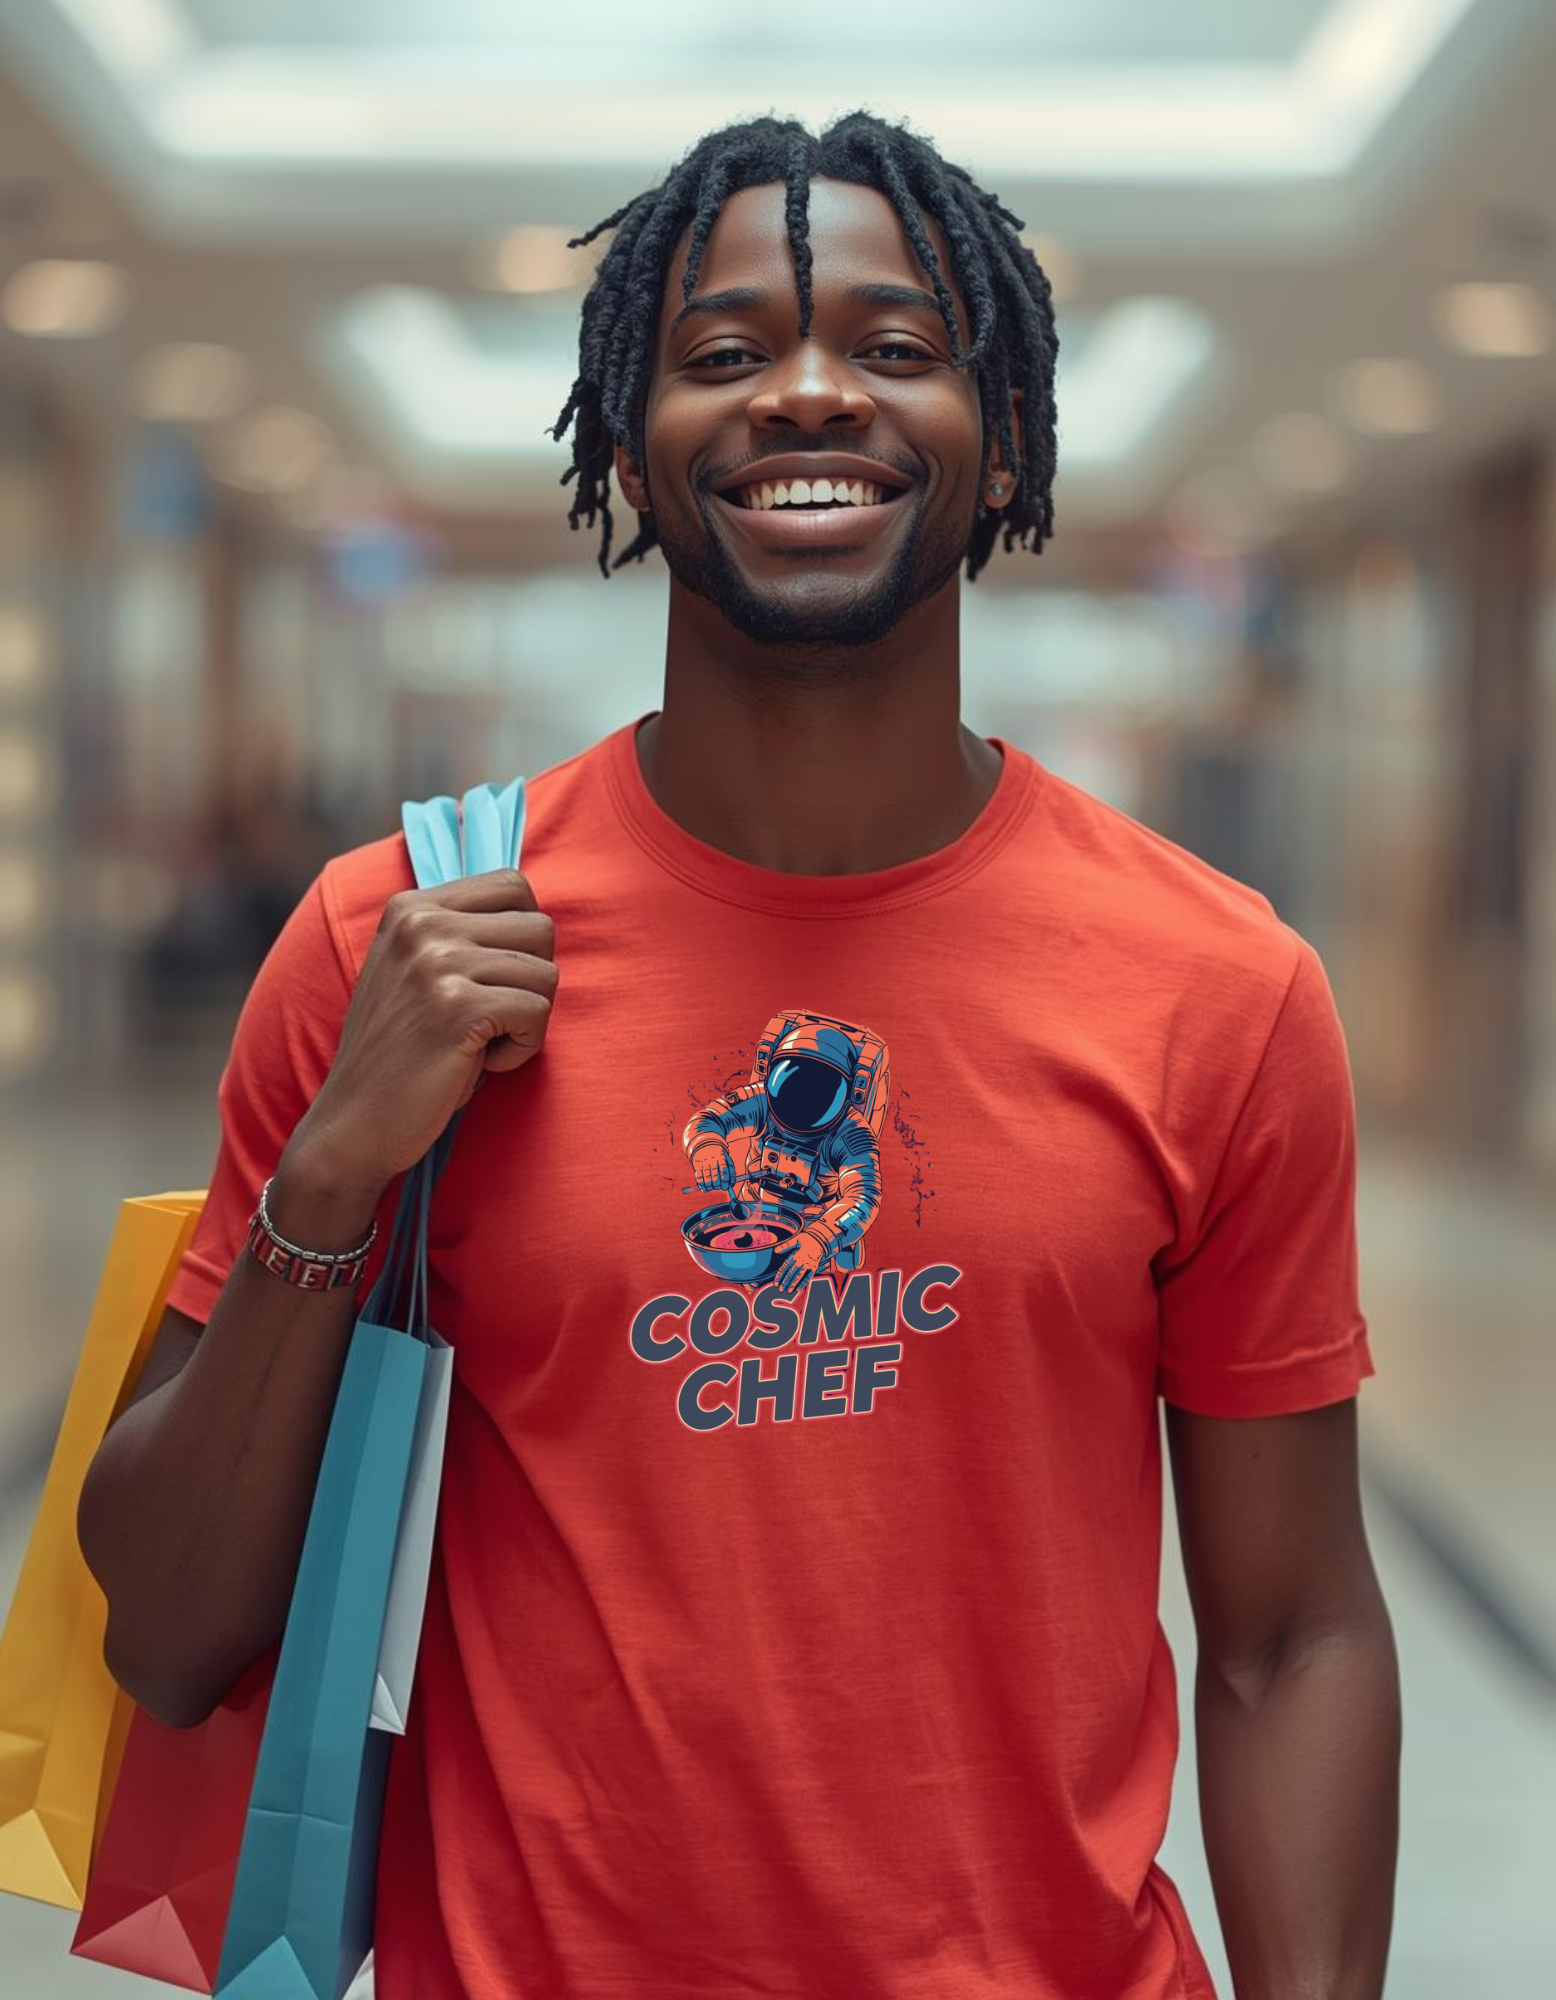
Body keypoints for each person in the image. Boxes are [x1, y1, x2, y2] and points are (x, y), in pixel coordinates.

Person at [77, 109, 1401, 2000]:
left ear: (1003, 434)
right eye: (720, 355)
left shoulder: (1215, 984)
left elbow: (1295, 1640)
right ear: (631, 438)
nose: (804, 395)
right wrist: (333, 1177)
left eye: (892, 346)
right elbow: (169, 1633)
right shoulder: (401, 939)